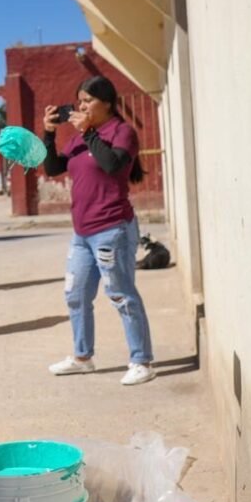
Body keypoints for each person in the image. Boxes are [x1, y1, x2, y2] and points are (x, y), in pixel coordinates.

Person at [42, 75, 156, 386]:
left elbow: (113, 165)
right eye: (79, 101)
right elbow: (53, 168)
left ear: (106, 102)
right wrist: (49, 134)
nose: (82, 106)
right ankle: (82, 358)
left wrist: (89, 132)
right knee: (75, 295)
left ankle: (142, 360)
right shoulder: (79, 137)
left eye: (88, 101)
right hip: (82, 234)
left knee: (121, 295)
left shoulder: (122, 132)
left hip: (112, 229)